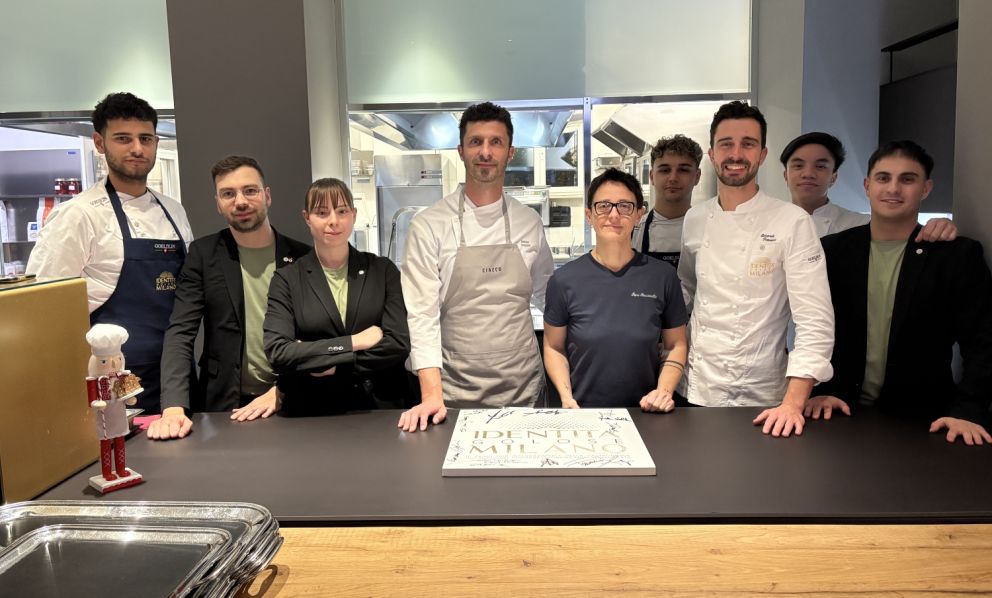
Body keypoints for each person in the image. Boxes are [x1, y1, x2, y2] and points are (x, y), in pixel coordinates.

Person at [806, 140, 992, 445]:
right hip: (838, 412)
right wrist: (819, 389)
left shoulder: (955, 255)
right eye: (883, 178)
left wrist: (969, 411)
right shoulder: (832, 251)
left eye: (907, 179)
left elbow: (983, 341)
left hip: (924, 421)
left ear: (926, 188)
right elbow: (814, 330)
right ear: (867, 186)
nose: (893, 188)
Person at [27, 92, 193, 413]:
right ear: (99, 143)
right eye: (123, 138)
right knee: (123, 438)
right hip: (116, 376)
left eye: (145, 138)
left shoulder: (173, 210)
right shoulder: (78, 215)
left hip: (177, 372)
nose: (137, 148)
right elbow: (44, 307)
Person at [678, 101, 834, 437]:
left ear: (762, 155)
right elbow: (686, 290)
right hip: (695, 387)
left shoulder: (792, 221)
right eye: (726, 144)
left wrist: (793, 404)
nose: (736, 154)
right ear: (711, 154)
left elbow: (815, 321)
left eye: (747, 144)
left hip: (765, 398)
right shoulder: (695, 219)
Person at [398, 101, 554, 432]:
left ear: (510, 152)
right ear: (461, 151)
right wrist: (431, 396)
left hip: (523, 389)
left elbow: (549, 300)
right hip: (454, 392)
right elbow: (422, 316)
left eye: (496, 142)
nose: (485, 152)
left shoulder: (529, 222)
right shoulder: (429, 225)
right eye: (475, 142)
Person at [148, 156, 310, 440]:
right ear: (218, 203)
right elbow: (180, 331)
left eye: (250, 190)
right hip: (224, 406)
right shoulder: (203, 255)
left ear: (267, 196)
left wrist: (283, 389)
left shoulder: (302, 257)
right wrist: (173, 407)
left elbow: (318, 336)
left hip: (292, 399)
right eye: (228, 194)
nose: (240, 201)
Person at [263, 178, 411, 415]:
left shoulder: (383, 271)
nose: (333, 221)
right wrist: (354, 342)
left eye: (342, 211)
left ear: (354, 214)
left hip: (381, 407)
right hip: (313, 409)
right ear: (307, 217)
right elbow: (279, 353)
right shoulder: (287, 279)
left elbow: (397, 344)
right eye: (322, 213)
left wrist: (332, 364)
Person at [544, 168, 688, 410]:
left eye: (624, 206)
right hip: (583, 412)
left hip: (647, 411)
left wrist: (663, 393)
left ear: (639, 214)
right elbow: (553, 347)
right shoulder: (564, 280)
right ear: (589, 215)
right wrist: (566, 398)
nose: (613, 214)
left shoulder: (662, 276)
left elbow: (676, 345)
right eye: (603, 206)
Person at [781, 131, 956, 240]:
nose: (808, 174)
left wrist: (940, 226)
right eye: (798, 165)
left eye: (820, 166)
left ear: (833, 177)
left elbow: (903, 230)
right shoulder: (769, 221)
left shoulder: (860, 225)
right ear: (785, 176)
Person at [85, 323, 144, 493]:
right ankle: (107, 472)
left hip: (118, 413)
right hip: (104, 414)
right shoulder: (95, 380)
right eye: (104, 361)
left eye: (117, 359)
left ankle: (121, 469)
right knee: (105, 442)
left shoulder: (121, 377)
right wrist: (96, 403)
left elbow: (127, 393)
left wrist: (130, 398)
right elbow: (92, 399)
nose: (113, 364)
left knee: (120, 440)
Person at [630, 134, 703, 270]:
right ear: (652, 176)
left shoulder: (710, 230)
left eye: (683, 170)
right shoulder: (633, 232)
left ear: (697, 176)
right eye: (665, 170)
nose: (673, 178)